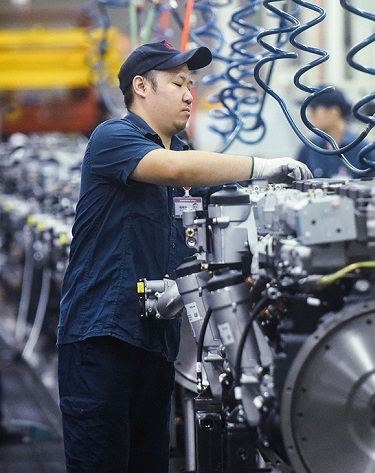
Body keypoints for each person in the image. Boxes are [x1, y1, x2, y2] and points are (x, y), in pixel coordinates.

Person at [56, 40, 311, 472]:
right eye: (177, 83)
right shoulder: (114, 138)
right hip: (100, 338)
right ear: (141, 87)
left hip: (156, 340)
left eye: (191, 84)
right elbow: (177, 170)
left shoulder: (183, 155)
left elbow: (221, 200)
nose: (190, 93)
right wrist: (263, 165)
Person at [296, 86, 375, 178]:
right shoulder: (309, 147)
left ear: (334, 111)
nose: (310, 116)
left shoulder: (362, 149)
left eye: (314, 110)